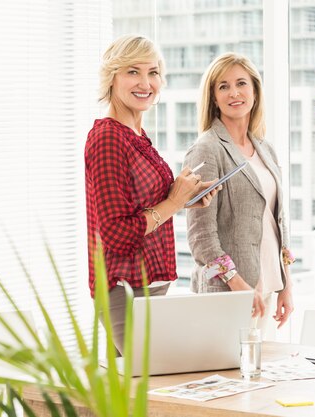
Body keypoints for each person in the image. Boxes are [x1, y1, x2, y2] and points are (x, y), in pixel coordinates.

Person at [85, 35, 219, 355]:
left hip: (151, 284)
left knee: (144, 393)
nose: (146, 82)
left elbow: (144, 205)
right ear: (112, 77)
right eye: (133, 71)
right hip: (124, 287)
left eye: (153, 72)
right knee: (150, 389)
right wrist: (173, 202)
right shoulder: (107, 139)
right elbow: (116, 233)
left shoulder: (137, 136)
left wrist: (184, 196)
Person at [183, 52, 294, 338]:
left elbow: (277, 223)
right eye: (223, 86)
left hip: (266, 287)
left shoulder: (265, 149)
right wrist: (237, 284)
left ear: (255, 91)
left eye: (241, 83)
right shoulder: (207, 149)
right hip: (228, 293)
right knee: (228, 377)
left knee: (257, 377)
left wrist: (286, 284)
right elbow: (201, 238)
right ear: (214, 97)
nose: (234, 93)